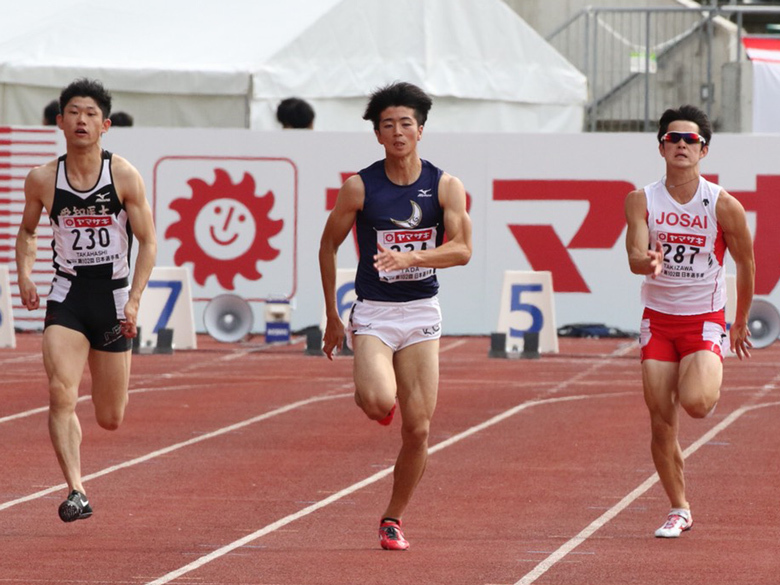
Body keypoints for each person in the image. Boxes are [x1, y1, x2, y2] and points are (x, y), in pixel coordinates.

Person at [318, 82, 472, 550]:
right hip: (375, 314)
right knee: (376, 402)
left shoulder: (445, 185)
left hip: (422, 312)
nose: (398, 131)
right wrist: (332, 316)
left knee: (419, 427)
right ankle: (380, 400)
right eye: (388, 125)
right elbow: (328, 245)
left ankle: (393, 518)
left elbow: (463, 250)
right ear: (378, 135)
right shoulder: (359, 187)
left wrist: (411, 259)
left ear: (420, 130)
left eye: (406, 123)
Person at [15, 78, 157, 522]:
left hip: (113, 300)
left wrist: (134, 301)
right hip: (68, 296)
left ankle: (84, 464)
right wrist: (24, 275)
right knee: (60, 392)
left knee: (110, 416)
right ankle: (76, 489)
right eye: (73, 112)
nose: (81, 120)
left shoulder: (123, 175)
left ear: (106, 125)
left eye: (91, 113)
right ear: (60, 121)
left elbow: (148, 243)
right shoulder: (42, 179)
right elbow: (28, 231)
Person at [624, 104, 755, 538]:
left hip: (703, 319)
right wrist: (647, 262)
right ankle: (678, 508)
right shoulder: (642, 199)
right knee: (661, 420)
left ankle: (707, 374)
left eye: (691, 140)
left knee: (697, 404)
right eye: (673, 138)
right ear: (661, 146)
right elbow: (634, 257)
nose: (682, 145)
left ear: (704, 151)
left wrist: (739, 321)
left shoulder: (722, 205)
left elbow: (747, 263)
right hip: (658, 322)